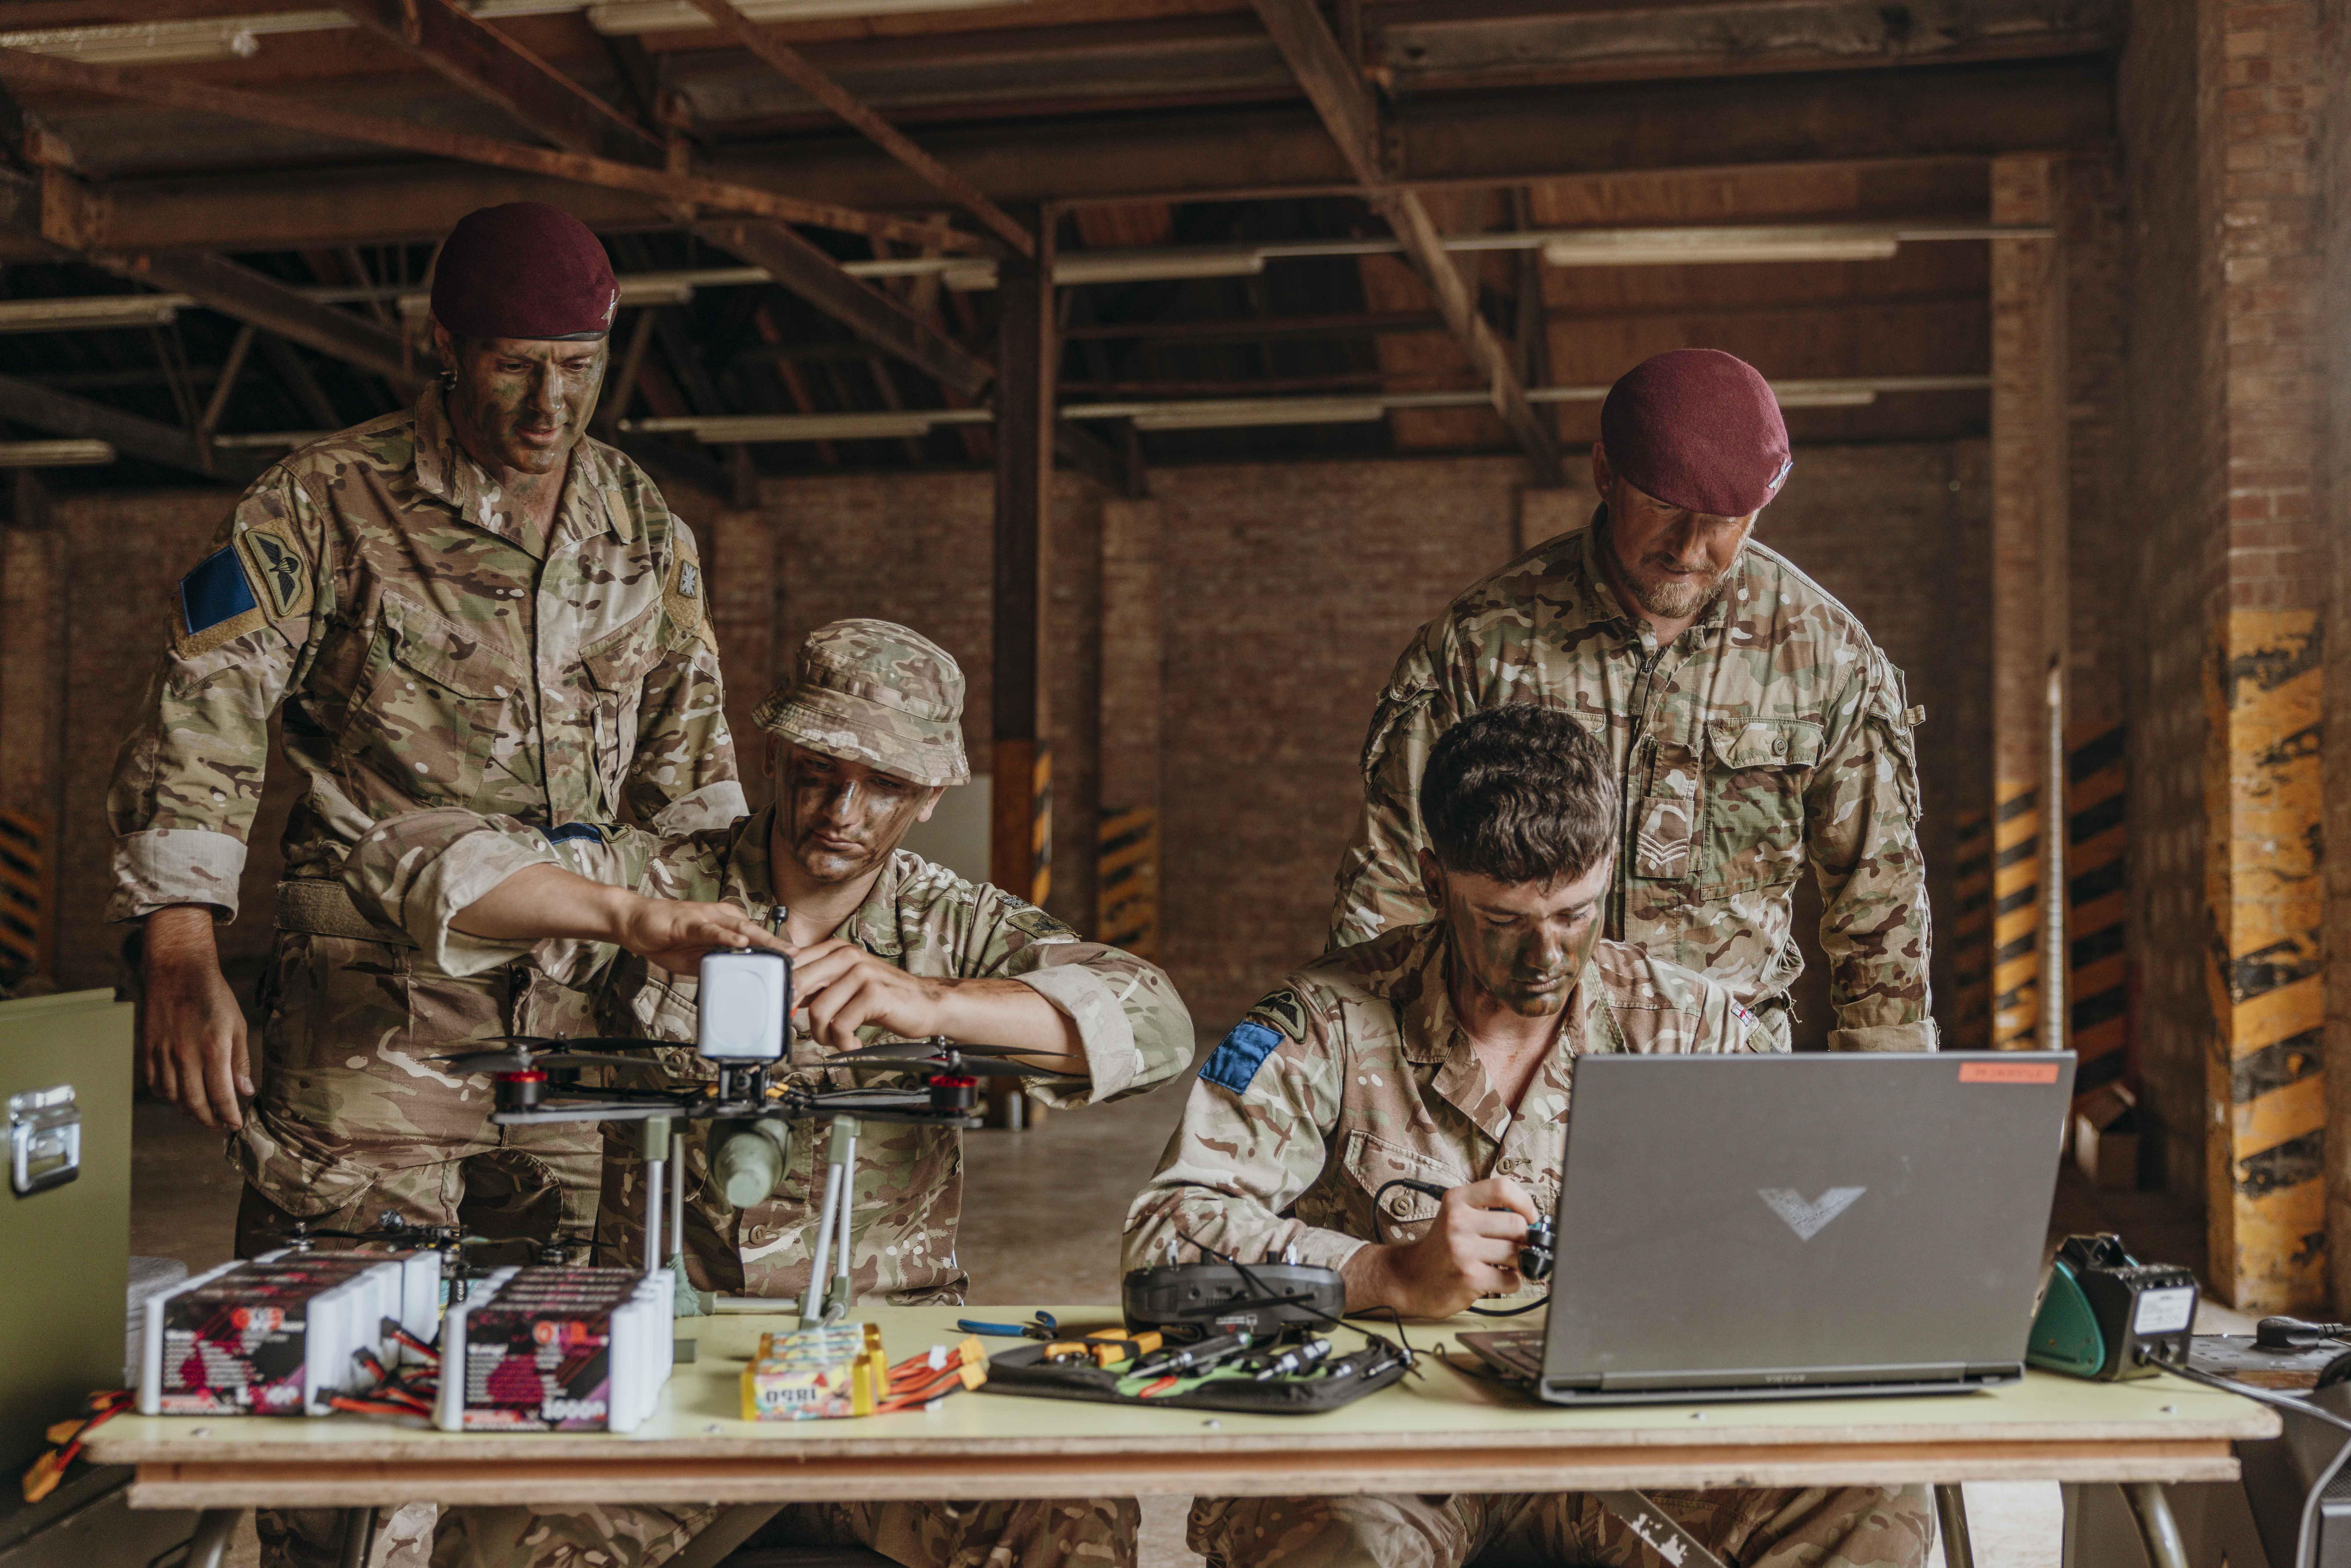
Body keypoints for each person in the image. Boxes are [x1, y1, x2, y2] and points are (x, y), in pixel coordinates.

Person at [349, 619, 1192, 1568]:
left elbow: (1156, 1022)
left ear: (929, 797)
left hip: (889, 1351)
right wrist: (628, 917)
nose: (844, 807)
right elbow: (400, 857)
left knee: (1070, 1510)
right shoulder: (670, 877)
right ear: (776, 753)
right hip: (665, 1352)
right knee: (502, 1534)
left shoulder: (954, 922)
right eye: (821, 770)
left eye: (886, 786)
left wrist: (931, 999)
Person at [1129, 704, 1931, 1568]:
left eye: (1573, 914)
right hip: (1388, 1440)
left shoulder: (1688, 1024)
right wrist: (1385, 1271)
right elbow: (1161, 1239)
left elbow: (1809, 1222)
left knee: (1869, 1496)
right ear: (1435, 882)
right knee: (1344, 1543)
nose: (1545, 954)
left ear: (1608, 870)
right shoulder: (1325, 1020)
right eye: (1504, 920)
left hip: (1624, 1439)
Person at [106, 202, 744, 1278]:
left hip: (583, 1008)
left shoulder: (640, 524)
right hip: (373, 1009)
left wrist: (730, 952)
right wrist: (178, 952)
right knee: (344, 1310)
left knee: (579, 1321)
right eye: (516, 367)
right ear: (444, 346)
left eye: (577, 366)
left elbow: (691, 765)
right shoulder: (322, 503)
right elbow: (200, 712)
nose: (551, 405)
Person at [1330, 348, 1932, 1052]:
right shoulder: (1482, 643)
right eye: (1662, 508)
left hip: (1726, 1060)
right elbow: (1391, 883)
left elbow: (1879, 900)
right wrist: (1369, 1074)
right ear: (1604, 475)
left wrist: (1889, 1113)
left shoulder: (1823, 655)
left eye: (1722, 521)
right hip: (1516, 1066)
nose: (1688, 547)